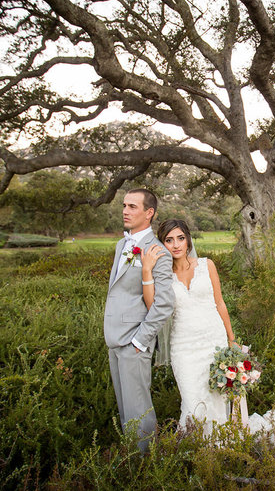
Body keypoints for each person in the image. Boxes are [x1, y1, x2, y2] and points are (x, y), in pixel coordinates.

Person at [141, 219, 235, 435]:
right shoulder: (162, 276)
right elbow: (152, 306)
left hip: (214, 341)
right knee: (192, 401)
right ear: (162, 244)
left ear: (188, 240)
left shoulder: (206, 265)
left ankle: (221, 447)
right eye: (169, 240)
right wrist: (147, 271)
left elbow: (219, 302)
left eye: (180, 238)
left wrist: (231, 338)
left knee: (217, 398)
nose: (176, 245)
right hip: (183, 347)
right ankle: (193, 449)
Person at [103, 188, 175, 453]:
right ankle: (130, 461)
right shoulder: (122, 245)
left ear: (149, 213)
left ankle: (146, 465)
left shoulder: (158, 252)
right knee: (124, 408)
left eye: (133, 206)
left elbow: (164, 303)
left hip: (134, 341)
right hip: (114, 337)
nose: (125, 210)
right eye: (124, 205)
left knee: (138, 411)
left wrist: (141, 341)